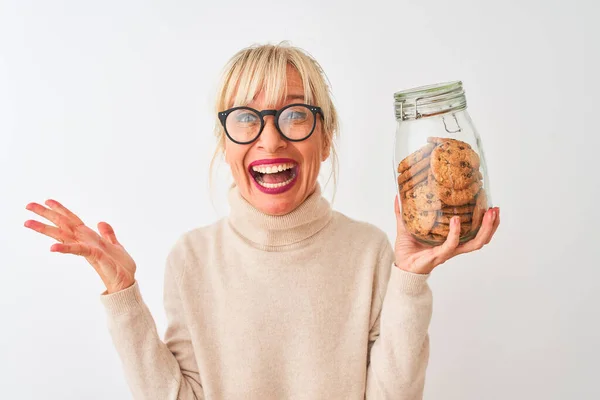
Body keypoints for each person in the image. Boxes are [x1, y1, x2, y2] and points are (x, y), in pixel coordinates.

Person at [23, 42, 500, 400]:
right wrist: (122, 291)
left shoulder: (370, 252)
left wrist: (411, 281)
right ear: (224, 142)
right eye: (247, 118)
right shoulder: (191, 258)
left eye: (295, 115)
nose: (270, 142)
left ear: (326, 137)